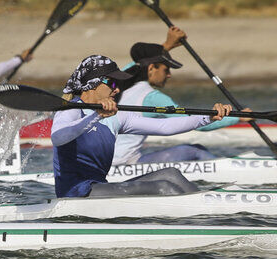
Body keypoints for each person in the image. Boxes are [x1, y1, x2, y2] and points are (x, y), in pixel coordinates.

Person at [52, 55, 232, 198]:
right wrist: (95, 116)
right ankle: (205, 217)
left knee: (171, 175)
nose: (117, 90)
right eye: (113, 83)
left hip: (99, 187)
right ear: (93, 83)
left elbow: (165, 126)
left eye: (119, 85)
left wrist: (207, 117)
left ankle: (210, 206)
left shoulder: (116, 117)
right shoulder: (71, 110)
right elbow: (58, 137)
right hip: (76, 193)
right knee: (163, 187)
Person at [113, 26, 250, 165]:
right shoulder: (152, 97)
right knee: (194, 151)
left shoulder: (119, 85)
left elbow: (136, 65)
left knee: (196, 149)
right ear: (151, 68)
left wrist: (166, 46)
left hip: (107, 161)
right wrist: (237, 117)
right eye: (166, 70)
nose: (169, 75)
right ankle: (236, 170)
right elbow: (197, 123)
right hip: (121, 163)